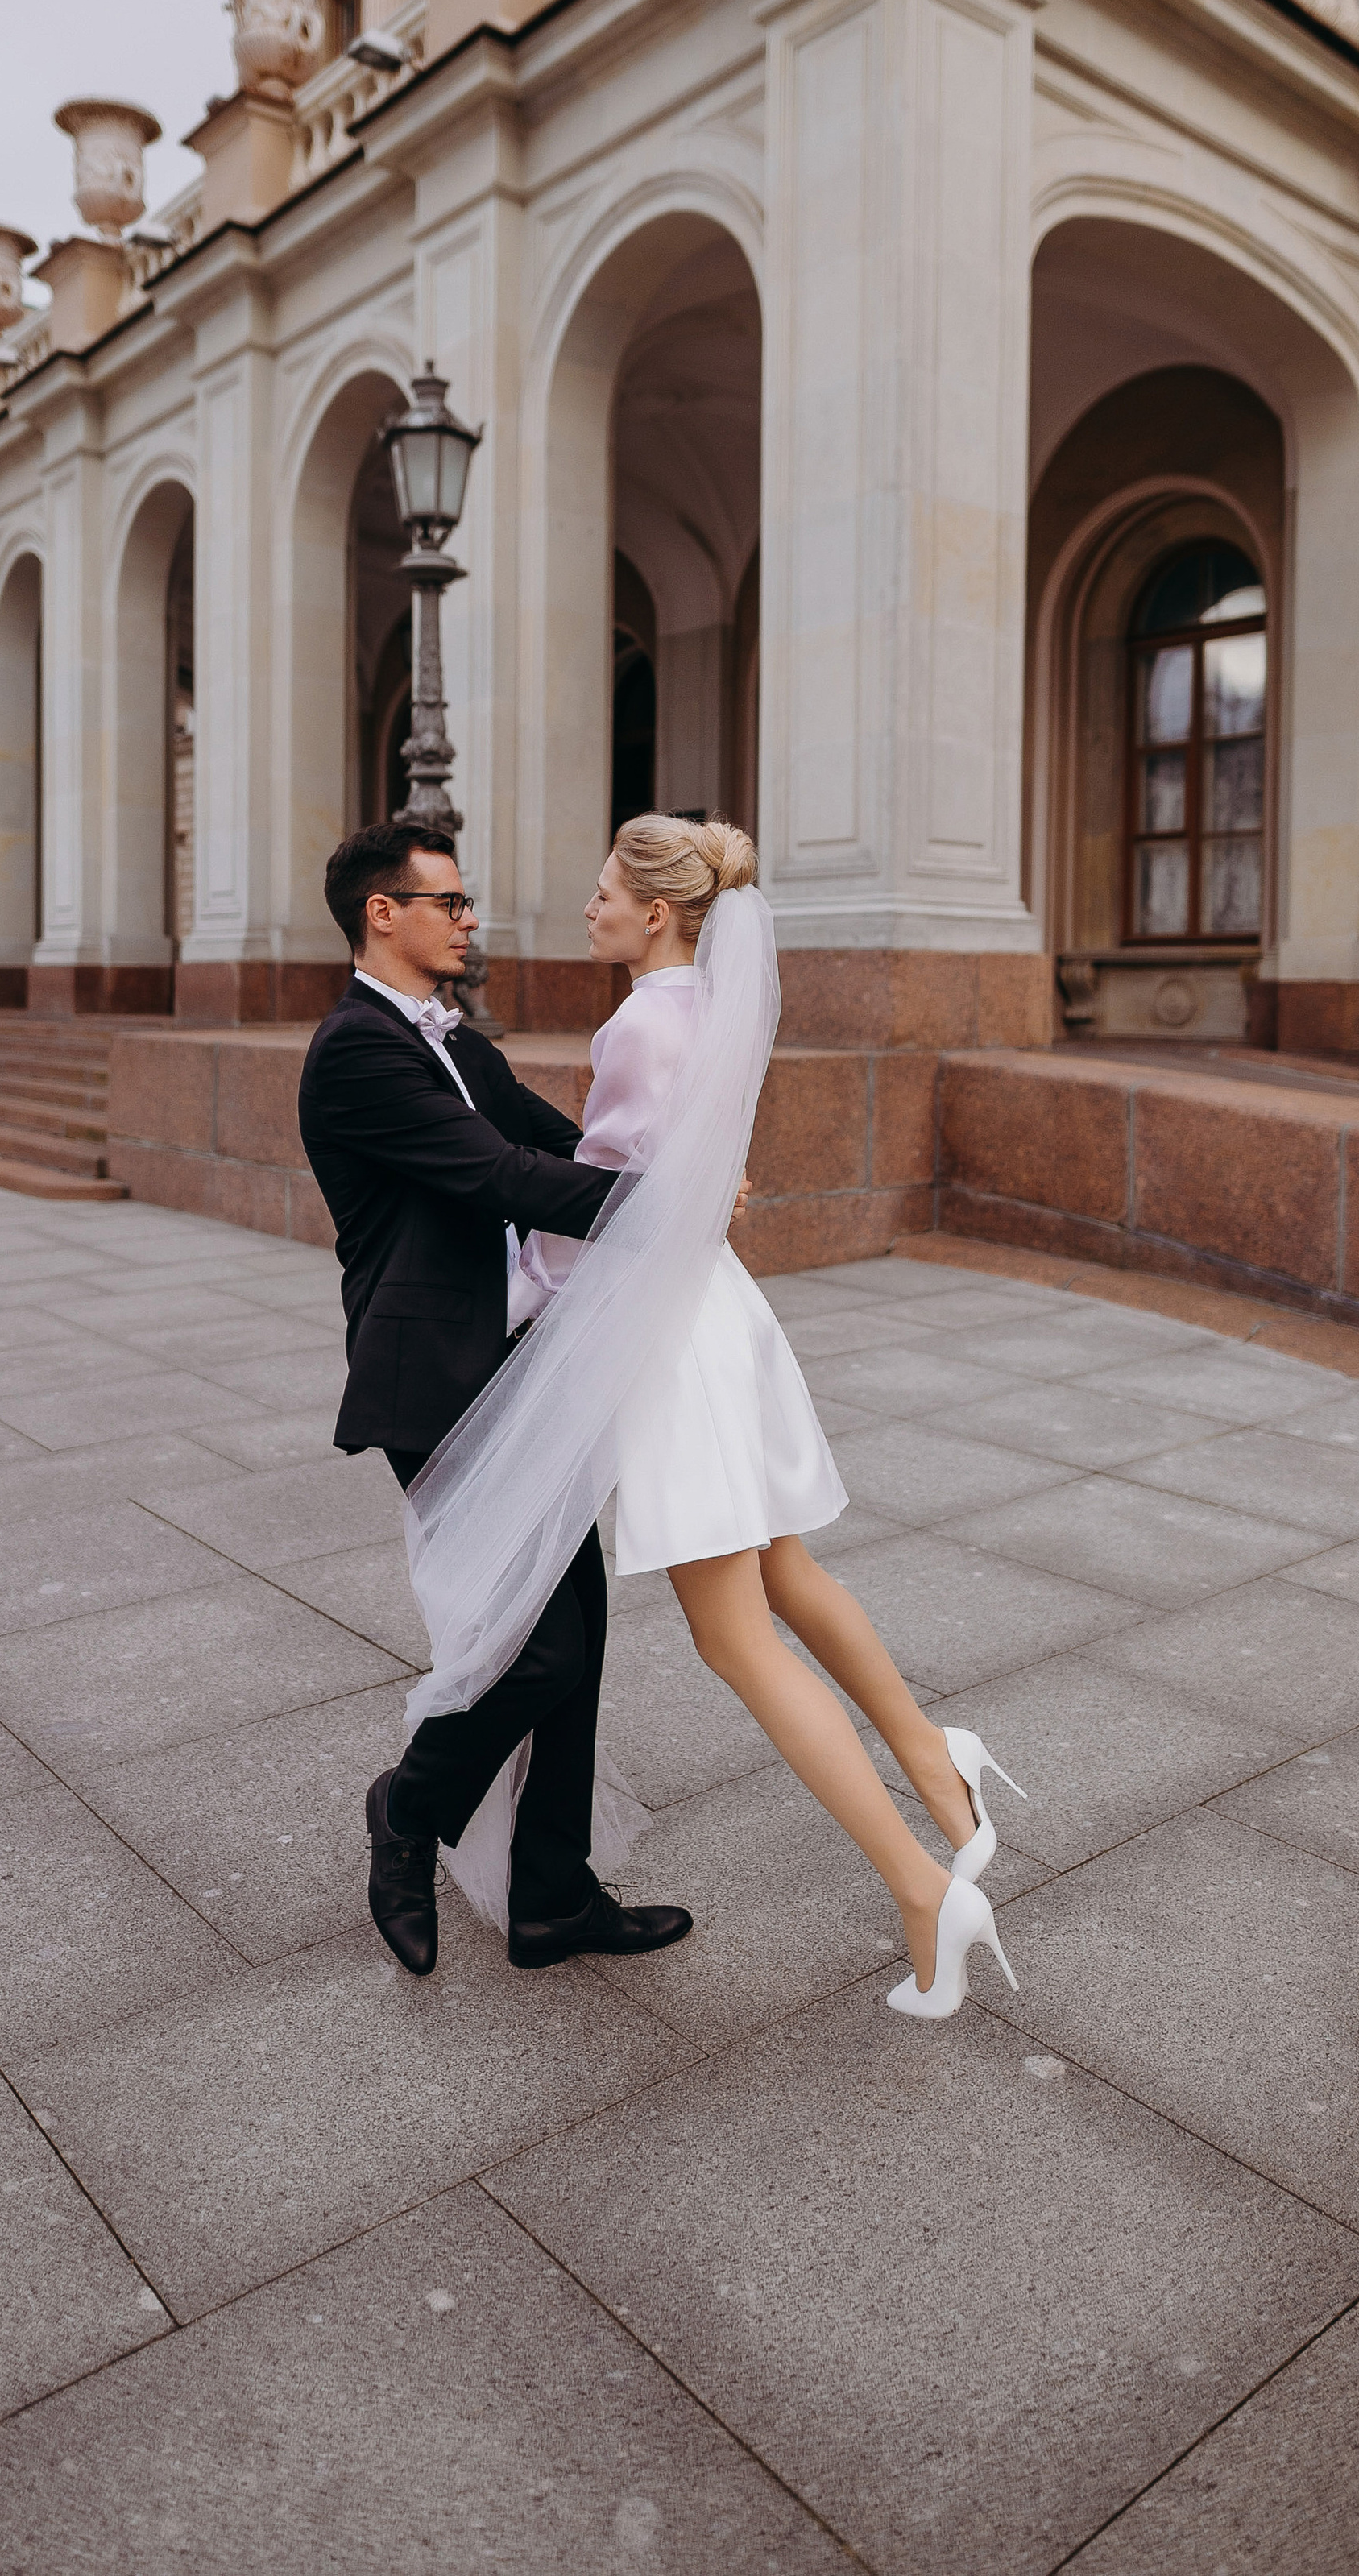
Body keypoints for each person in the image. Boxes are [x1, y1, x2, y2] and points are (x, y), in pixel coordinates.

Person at [413, 814, 1021, 2019]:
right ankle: (937, 1767)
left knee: (735, 1635)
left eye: (601, 894)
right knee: (789, 1575)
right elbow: (684, 1182)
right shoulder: (710, 1009)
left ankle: (921, 1888)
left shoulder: (640, 1021)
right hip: (723, 1320)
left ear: (658, 912)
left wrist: (513, 1289)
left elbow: (605, 1210)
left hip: (670, 1339)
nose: (586, 908)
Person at [296, 817, 695, 1981]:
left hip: (519, 1367)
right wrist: (656, 1216)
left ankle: (553, 1899)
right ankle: (406, 1808)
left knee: (580, 1633)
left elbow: (552, 1141)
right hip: (433, 1377)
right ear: (386, 913)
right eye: (452, 903)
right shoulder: (356, 1051)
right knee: (537, 1657)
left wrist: (682, 1164)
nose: (472, 921)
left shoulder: (460, 1046)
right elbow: (497, 1178)